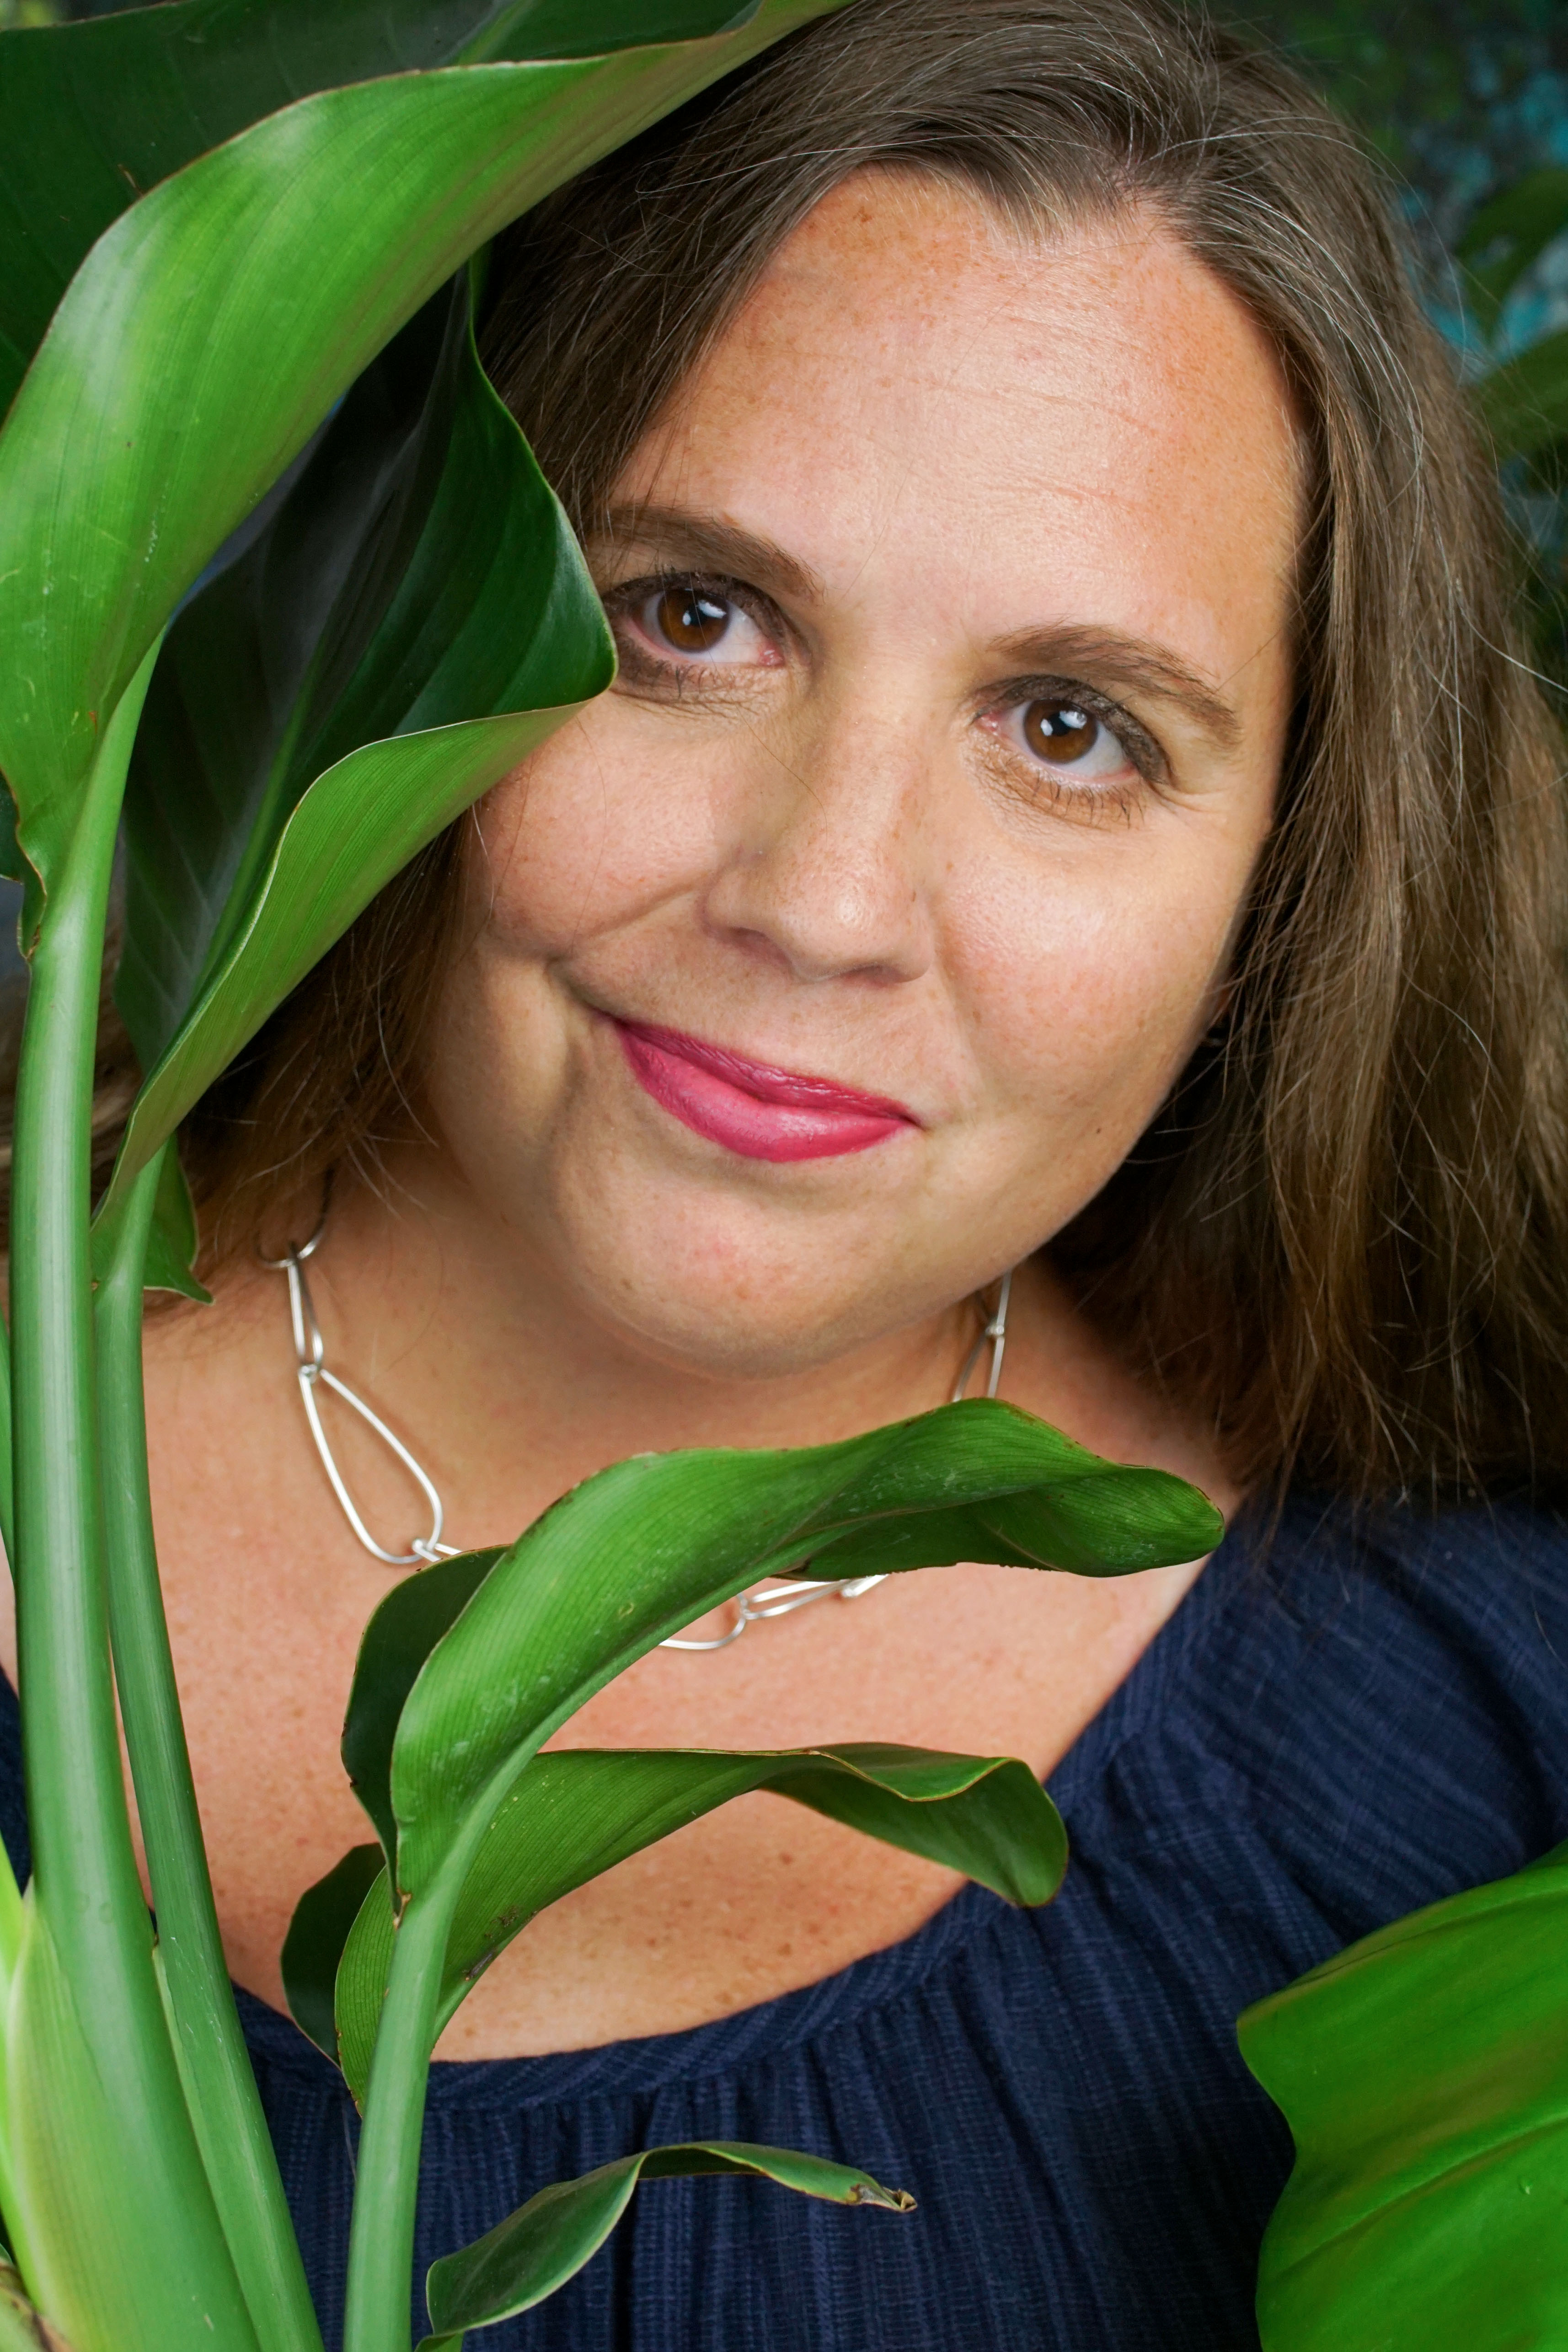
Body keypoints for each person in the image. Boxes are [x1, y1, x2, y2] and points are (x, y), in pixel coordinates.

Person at [5, 0, 1568, 2344]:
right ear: (405, 625)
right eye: (693, 616)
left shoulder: (1489, 1752)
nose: (824, 900)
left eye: (1071, 729)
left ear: (1294, 876)